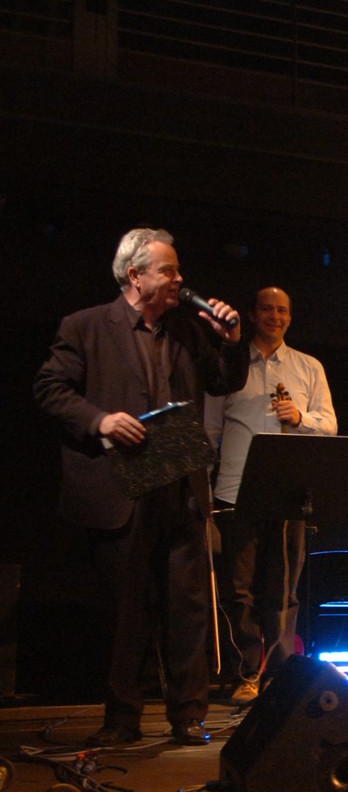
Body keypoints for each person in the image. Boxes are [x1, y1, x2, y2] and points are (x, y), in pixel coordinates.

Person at [33, 228, 247, 747]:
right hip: (122, 486)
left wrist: (230, 341)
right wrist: (101, 420)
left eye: (177, 270)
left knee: (187, 607)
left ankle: (188, 714)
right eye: (168, 270)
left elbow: (224, 382)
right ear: (135, 275)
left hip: (179, 480)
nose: (178, 279)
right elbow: (49, 387)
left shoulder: (188, 329)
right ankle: (122, 719)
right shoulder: (87, 326)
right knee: (125, 611)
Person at [205, 286, 337, 705]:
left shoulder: (308, 367)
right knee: (238, 589)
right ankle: (247, 672)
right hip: (235, 490)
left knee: (283, 589)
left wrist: (300, 418)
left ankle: (279, 675)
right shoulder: (229, 364)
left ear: (290, 317)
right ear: (252, 314)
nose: (274, 316)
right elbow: (210, 431)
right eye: (266, 309)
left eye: (282, 310)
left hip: (287, 492)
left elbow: (329, 425)